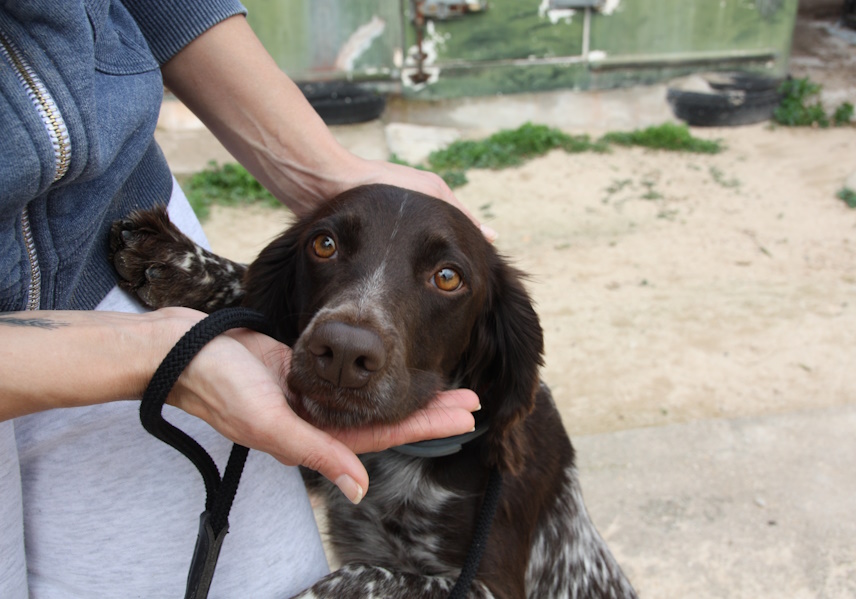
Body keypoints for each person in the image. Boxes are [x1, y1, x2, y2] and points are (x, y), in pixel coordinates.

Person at [0, 2, 491, 597]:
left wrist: (323, 172)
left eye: (445, 278)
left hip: (116, 251)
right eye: (328, 245)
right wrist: (159, 352)